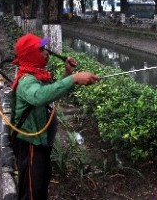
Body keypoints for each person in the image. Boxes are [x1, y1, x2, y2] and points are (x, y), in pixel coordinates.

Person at [11, 33, 98, 200]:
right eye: (41, 49)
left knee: (41, 185)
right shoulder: (26, 80)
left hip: (41, 144)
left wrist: (67, 73)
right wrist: (74, 78)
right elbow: (40, 97)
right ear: (31, 54)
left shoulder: (37, 75)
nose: (46, 53)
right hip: (31, 146)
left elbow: (51, 94)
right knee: (32, 192)